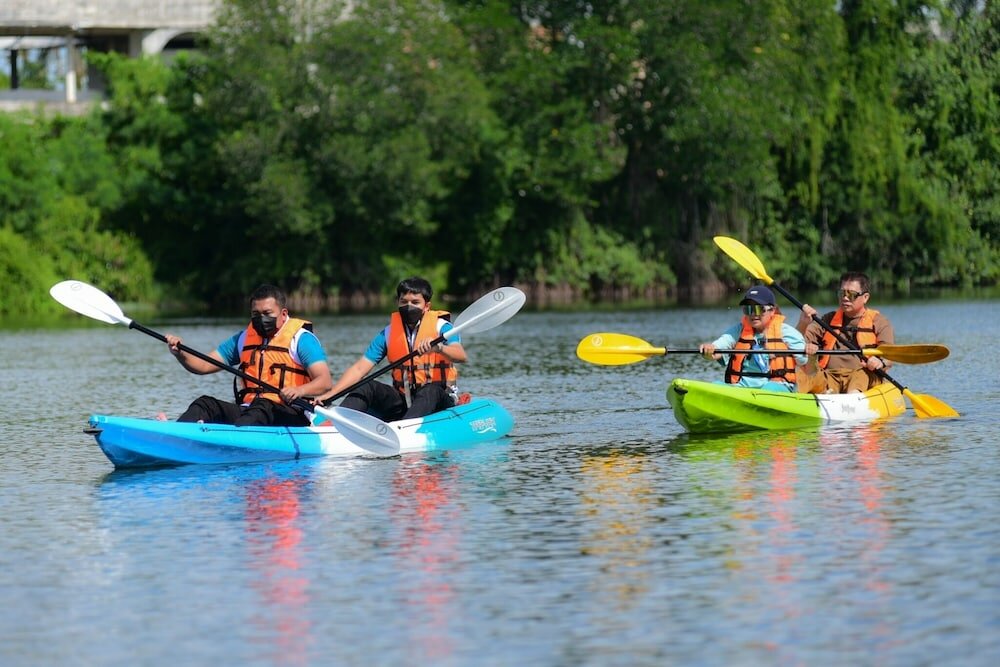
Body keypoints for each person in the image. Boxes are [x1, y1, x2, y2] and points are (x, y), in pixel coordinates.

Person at [164, 284, 332, 426]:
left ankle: (231, 440)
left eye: (267, 314)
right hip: (250, 411)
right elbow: (203, 365)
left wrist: (299, 390)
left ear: (283, 314)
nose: (261, 319)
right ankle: (173, 435)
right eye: (255, 314)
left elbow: (324, 382)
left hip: (292, 414)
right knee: (206, 404)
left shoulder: (301, 339)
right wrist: (180, 353)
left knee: (263, 406)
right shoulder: (244, 339)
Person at [318, 276, 467, 421]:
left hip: (439, 399)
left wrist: (439, 348)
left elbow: (460, 355)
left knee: (430, 390)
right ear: (398, 302)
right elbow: (359, 368)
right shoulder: (388, 333)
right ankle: (337, 423)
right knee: (367, 386)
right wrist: (331, 393)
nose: (409, 307)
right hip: (405, 400)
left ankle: (405, 429)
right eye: (404, 302)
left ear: (427, 306)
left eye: (415, 302)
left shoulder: (442, 328)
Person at [795, 272, 894, 394]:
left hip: (864, 375)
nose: (845, 298)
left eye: (851, 294)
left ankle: (853, 398)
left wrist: (880, 362)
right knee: (806, 373)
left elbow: (890, 354)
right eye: (842, 293)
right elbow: (796, 341)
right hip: (830, 376)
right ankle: (821, 395)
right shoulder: (828, 319)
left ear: (865, 297)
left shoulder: (879, 321)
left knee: (860, 374)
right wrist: (803, 323)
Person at [698, 285, 807, 392]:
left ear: (772, 310)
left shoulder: (787, 332)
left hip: (777, 386)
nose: (753, 314)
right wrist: (709, 350)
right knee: (715, 385)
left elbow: (804, 361)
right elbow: (718, 348)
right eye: (748, 309)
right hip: (743, 387)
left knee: (767, 390)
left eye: (759, 309)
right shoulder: (738, 331)